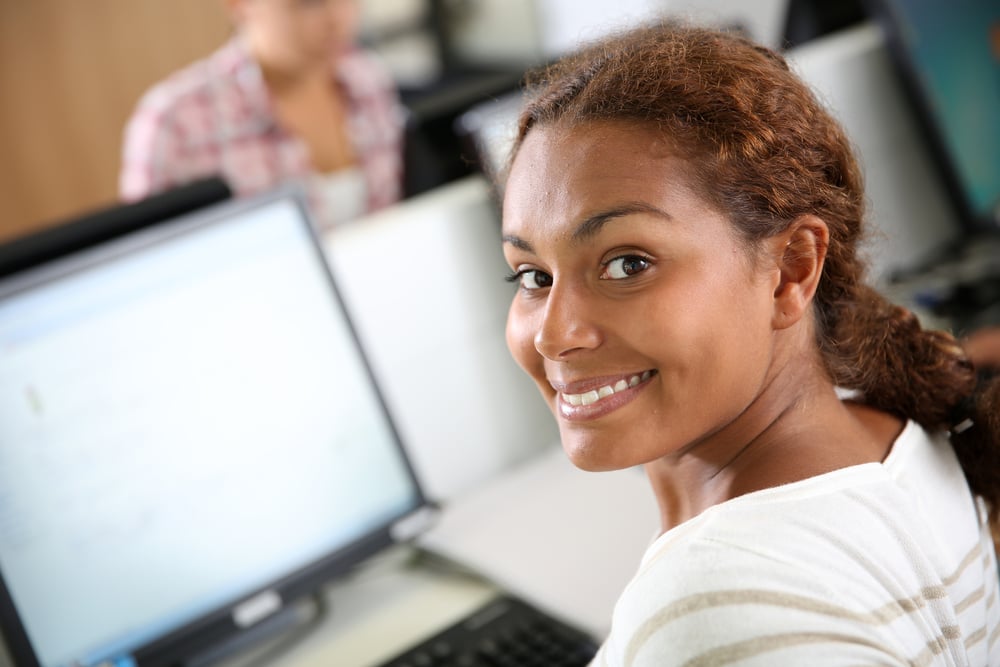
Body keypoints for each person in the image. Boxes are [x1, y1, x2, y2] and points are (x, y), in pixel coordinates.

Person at [499, 22, 1000, 665]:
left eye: (627, 264)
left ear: (791, 269)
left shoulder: (709, 612)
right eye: (533, 276)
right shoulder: (893, 432)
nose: (553, 333)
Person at [119, 0, 404, 231]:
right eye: (309, 3)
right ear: (239, 5)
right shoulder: (174, 120)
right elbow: (146, 258)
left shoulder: (369, 79)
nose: (337, 17)